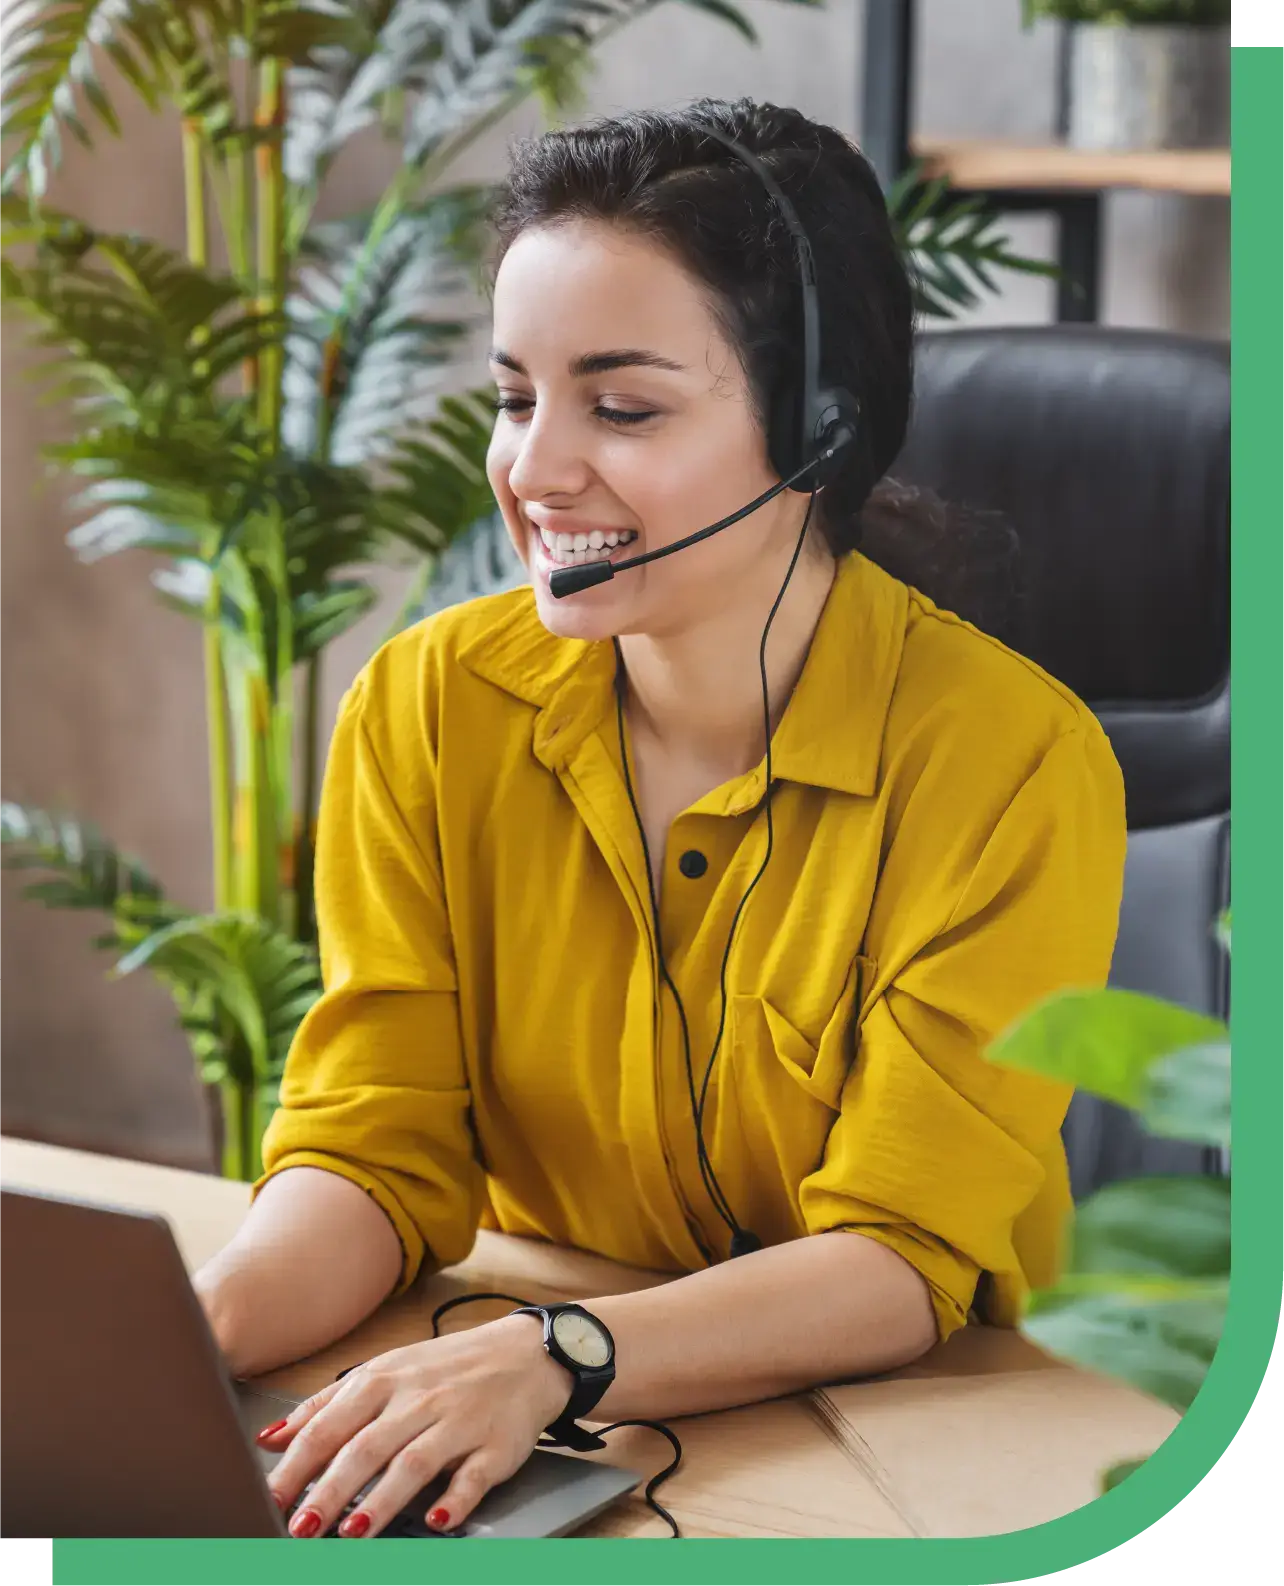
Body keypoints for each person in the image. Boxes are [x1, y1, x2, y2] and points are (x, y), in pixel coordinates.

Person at [193, 97, 1126, 1540]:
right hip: (553, 1417)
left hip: (929, 1440)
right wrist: (203, 1330)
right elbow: (373, 1147)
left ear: (816, 427)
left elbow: (897, 1252)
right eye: (515, 398)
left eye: (621, 407)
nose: (536, 469)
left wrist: (554, 1356)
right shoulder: (428, 708)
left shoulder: (1010, 764)